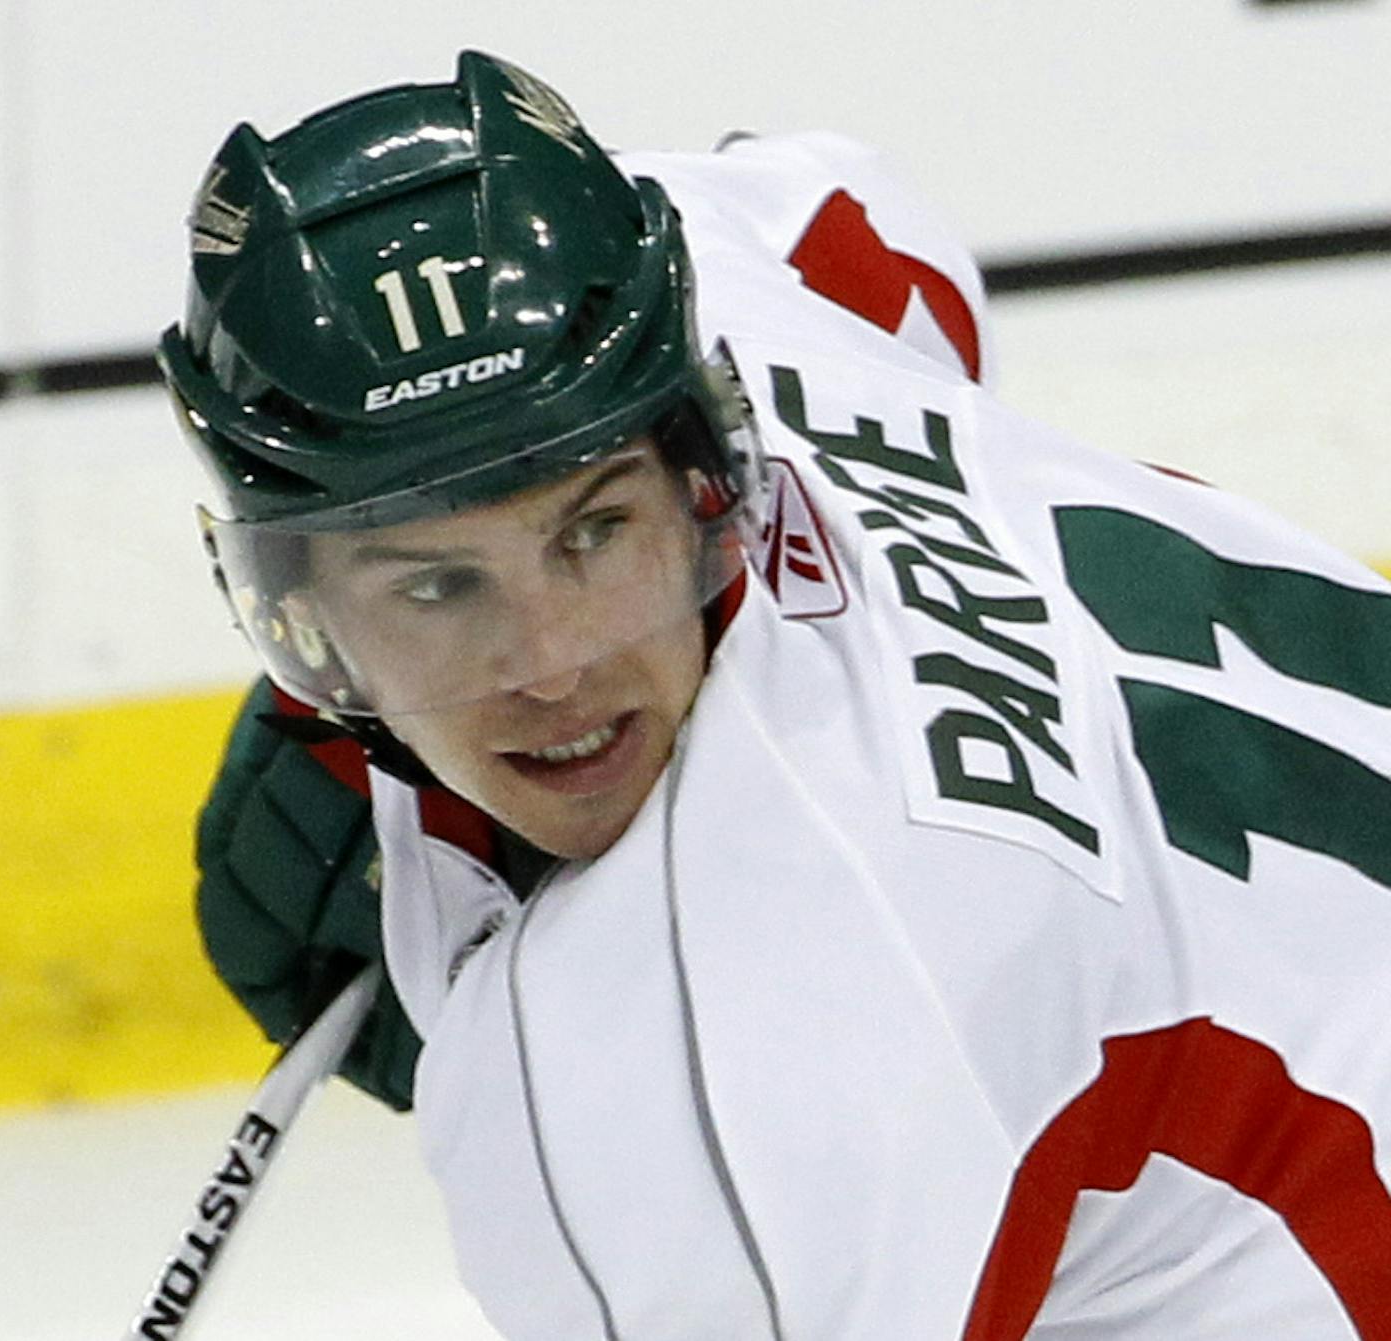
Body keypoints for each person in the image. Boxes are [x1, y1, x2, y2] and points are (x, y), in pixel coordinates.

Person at [162, 50, 1391, 1340]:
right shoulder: (710, 289)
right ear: (300, 614)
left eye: (593, 533)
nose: (554, 663)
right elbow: (864, 228)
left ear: (705, 474)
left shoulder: (732, 1060)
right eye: (433, 591)